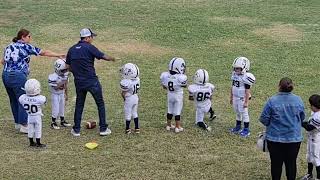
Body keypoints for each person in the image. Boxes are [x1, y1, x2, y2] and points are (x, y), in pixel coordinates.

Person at [2, 28, 65, 133]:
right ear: (23, 37)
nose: (30, 38)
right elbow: (43, 52)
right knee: (22, 98)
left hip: (5, 75)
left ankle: (17, 123)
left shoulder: (8, 46)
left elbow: (2, 61)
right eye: (29, 36)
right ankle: (24, 125)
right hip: (17, 76)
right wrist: (58, 55)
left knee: (13, 99)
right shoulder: (25, 46)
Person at [66, 28, 115, 137]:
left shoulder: (72, 49)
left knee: (79, 105)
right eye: (91, 37)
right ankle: (103, 129)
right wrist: (113, 58)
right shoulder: (89, 47)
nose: (92, 39)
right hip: (92, 81)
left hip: (79, 82)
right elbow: (103, 56)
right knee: (100, 104)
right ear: (87, 38)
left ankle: (76, 130)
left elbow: (68, 67)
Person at [260, 77, 305, 180]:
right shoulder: (298, 100)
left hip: (275, 139)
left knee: (276, 164)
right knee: (291, 163)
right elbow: (302, 117)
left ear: (279, 86)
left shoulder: (272, 100)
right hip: (294, 138)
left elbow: (264, 119)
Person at [229, 57, 255, 137]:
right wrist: (231, 97)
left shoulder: (246, 77)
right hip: (236, 97)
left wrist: (246, 102)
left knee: (244, 113)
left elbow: (247, 91)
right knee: (237, 112)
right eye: (235, 68)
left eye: (238, 68)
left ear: (244, 67)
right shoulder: (234, 75)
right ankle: (238, 126)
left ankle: (246, 129)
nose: (236, 70)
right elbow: (232, 86)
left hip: (242, 98)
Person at [160, 57, 187, 133]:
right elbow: (184, 85)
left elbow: (164, 86)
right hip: (178, 95)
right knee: (177, 111)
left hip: (170, 94)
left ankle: (168, 125)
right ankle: (177, 127)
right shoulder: (181, 77)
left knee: (170, 110)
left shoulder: (165, 75)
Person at [18, 79, 46, 148]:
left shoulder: (22, 97)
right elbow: (43, 101)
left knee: (30, 129)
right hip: (37, 116)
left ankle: (31, 142)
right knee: (38, 129)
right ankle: (38, 143)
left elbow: (22, 100)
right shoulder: (41, 98)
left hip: (29, 116)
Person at [48, 58, 71, 129]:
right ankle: (53, 122)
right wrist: (64, 81)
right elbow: (56, 87)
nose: (65, 71)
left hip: (61, 94)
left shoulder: (65, 75)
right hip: (55, 95)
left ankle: (62, 121)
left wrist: (66, 94)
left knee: (62, 108)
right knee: (56, 109)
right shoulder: (52, 77)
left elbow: (66, 85)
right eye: (64, 70)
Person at [301, 94, 320, 180]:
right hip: (311, 138)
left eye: (311, 105)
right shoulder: (315, 112)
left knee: (316, 158)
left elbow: (309, 128)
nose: (310, 106)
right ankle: (309, 174)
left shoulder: (318, 116)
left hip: (316, 139)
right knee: (309, 156)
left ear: (316, 106)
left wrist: (300, 122)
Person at [119, 63, 140, 134]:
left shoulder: (126, 82)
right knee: (135, 113)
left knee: (128, 114)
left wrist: (123, 97)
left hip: (129, 98)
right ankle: (137, 128)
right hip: (135, 97)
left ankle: (127, 129)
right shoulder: (137, 79)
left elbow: (123, 92)